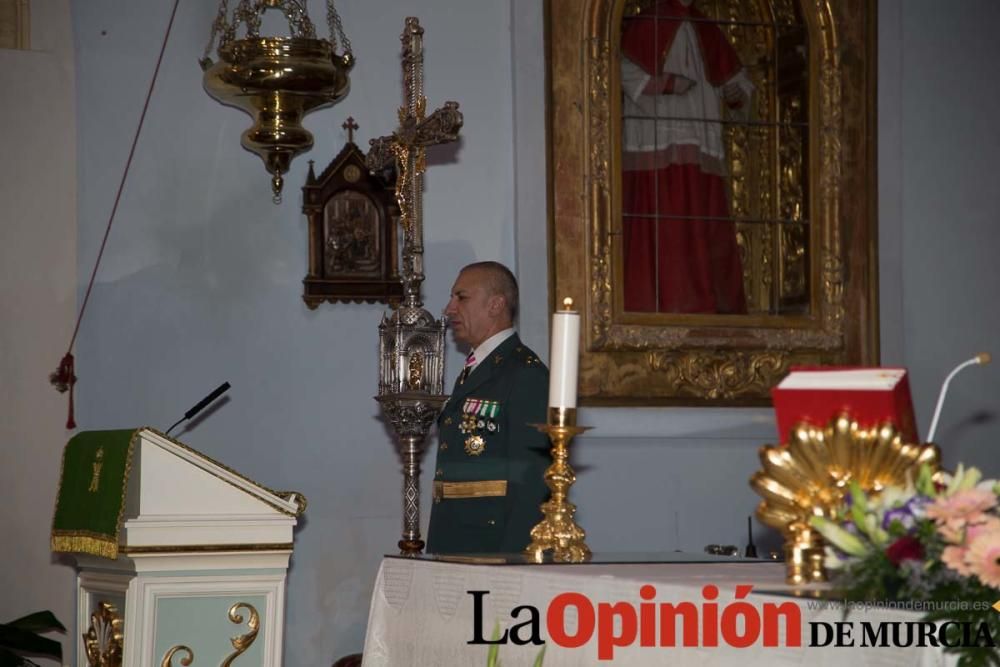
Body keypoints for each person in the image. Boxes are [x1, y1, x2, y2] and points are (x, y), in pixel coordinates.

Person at [620, 0, 752, 314]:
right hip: (658, 137)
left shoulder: (706, 27)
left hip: (700, 135)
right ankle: (654, 303)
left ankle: (706, 303)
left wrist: (736, 94)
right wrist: (664, 84)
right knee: (662, 223)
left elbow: (737, 81)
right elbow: (620, 68)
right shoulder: (648, 21)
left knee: (701, 224)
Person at [426, 262, 550, 554]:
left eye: (462, 297)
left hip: (491, 547)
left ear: (496, 304)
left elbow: (532, 481)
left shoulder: (524, 373)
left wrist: (514, 560)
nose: (449, 308)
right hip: (458, 539)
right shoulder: (478, 368)